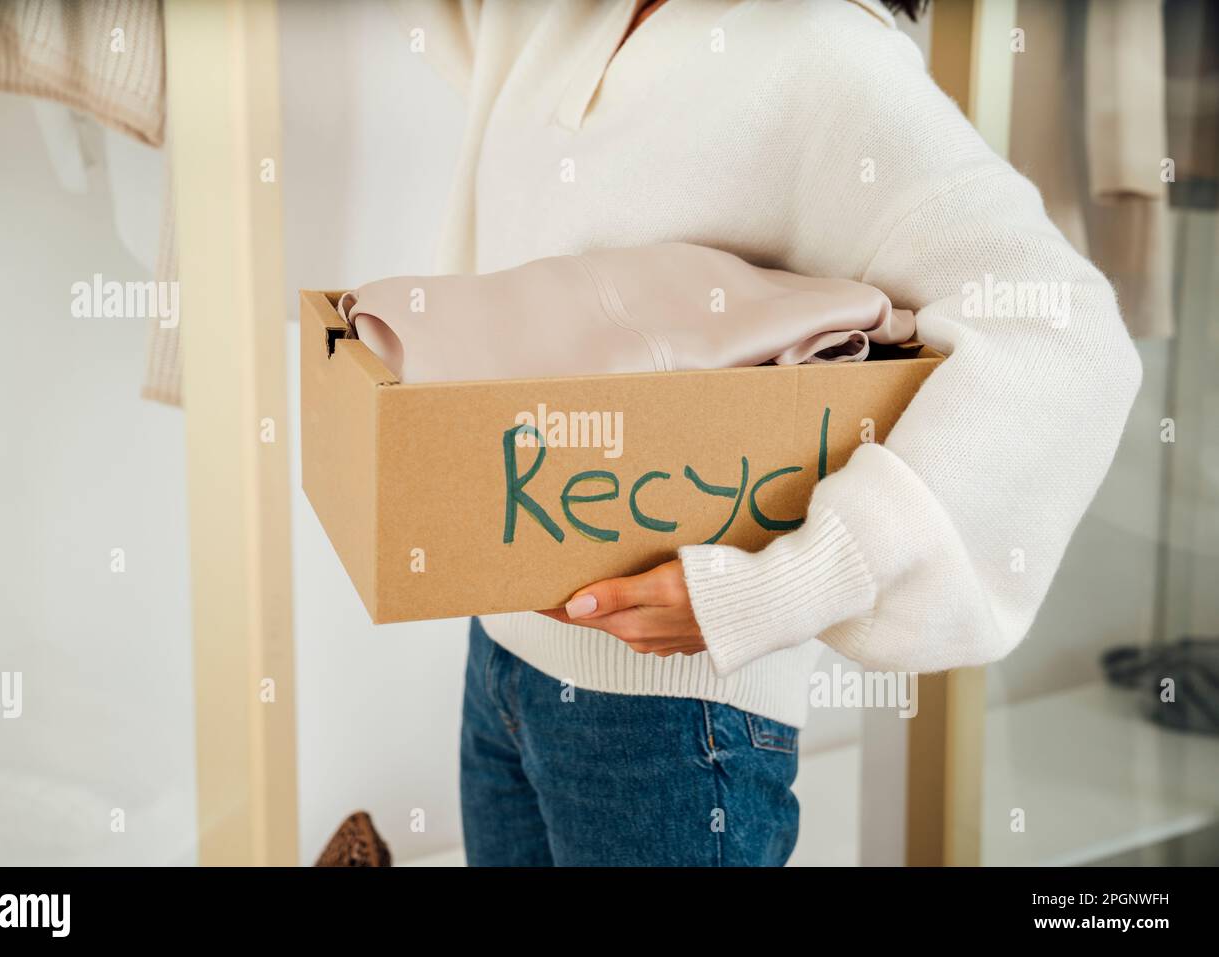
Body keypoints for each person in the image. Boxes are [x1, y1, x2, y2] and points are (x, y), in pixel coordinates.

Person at [402, 0, 1142, 865]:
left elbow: (1064, 335)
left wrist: (786, 586)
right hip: (499, 653)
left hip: (673, 723)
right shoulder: (550, 20)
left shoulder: (822, 53)